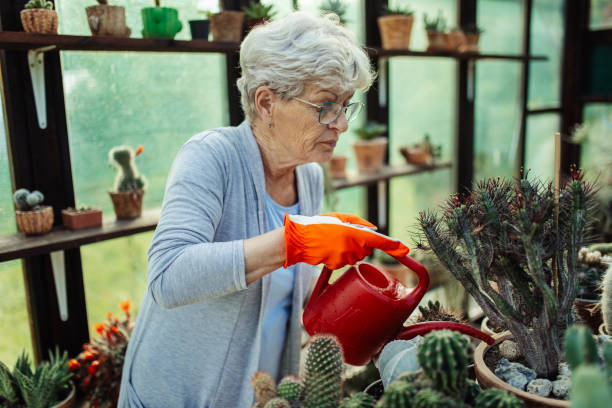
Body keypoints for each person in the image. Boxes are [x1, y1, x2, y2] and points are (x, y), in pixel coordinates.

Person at [117, 11, 408, 408]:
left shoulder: (309, 177)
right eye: (325, 105)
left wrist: (365, 311)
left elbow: (286, 302)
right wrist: (293, 242)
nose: (341, 124)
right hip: (180, 396)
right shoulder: (211, 156)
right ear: (266, 102)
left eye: (345, 106)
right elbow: (167, 277)